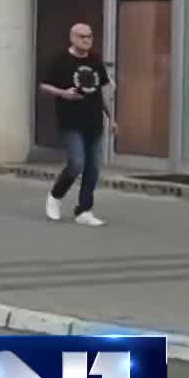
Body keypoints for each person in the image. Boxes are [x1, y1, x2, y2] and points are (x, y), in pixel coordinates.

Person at [40, 22, 111, 227]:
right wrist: (64, 94)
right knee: (76, 163)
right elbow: (44, 85)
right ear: (72, 37)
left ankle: (84, 210)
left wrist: (112, 118)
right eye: (82, 36)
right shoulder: (60, 60)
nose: (86, 40)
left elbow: (104, 91)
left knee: (93, 168)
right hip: (70, 121)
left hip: (94, 121)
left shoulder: (96, 60)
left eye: (89, 36)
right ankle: (55, 196)